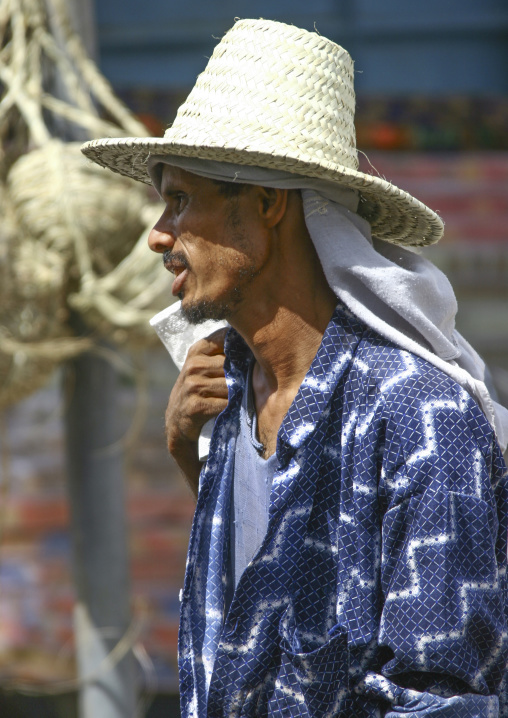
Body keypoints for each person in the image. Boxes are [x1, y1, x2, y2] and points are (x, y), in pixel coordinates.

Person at [82, 18, 508, 718]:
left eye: (182, 200)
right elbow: (255, 613)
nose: (158, 234)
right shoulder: (227, 402)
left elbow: (440, 699)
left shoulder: (422, 419)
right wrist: (187, 455)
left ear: (267, 203)